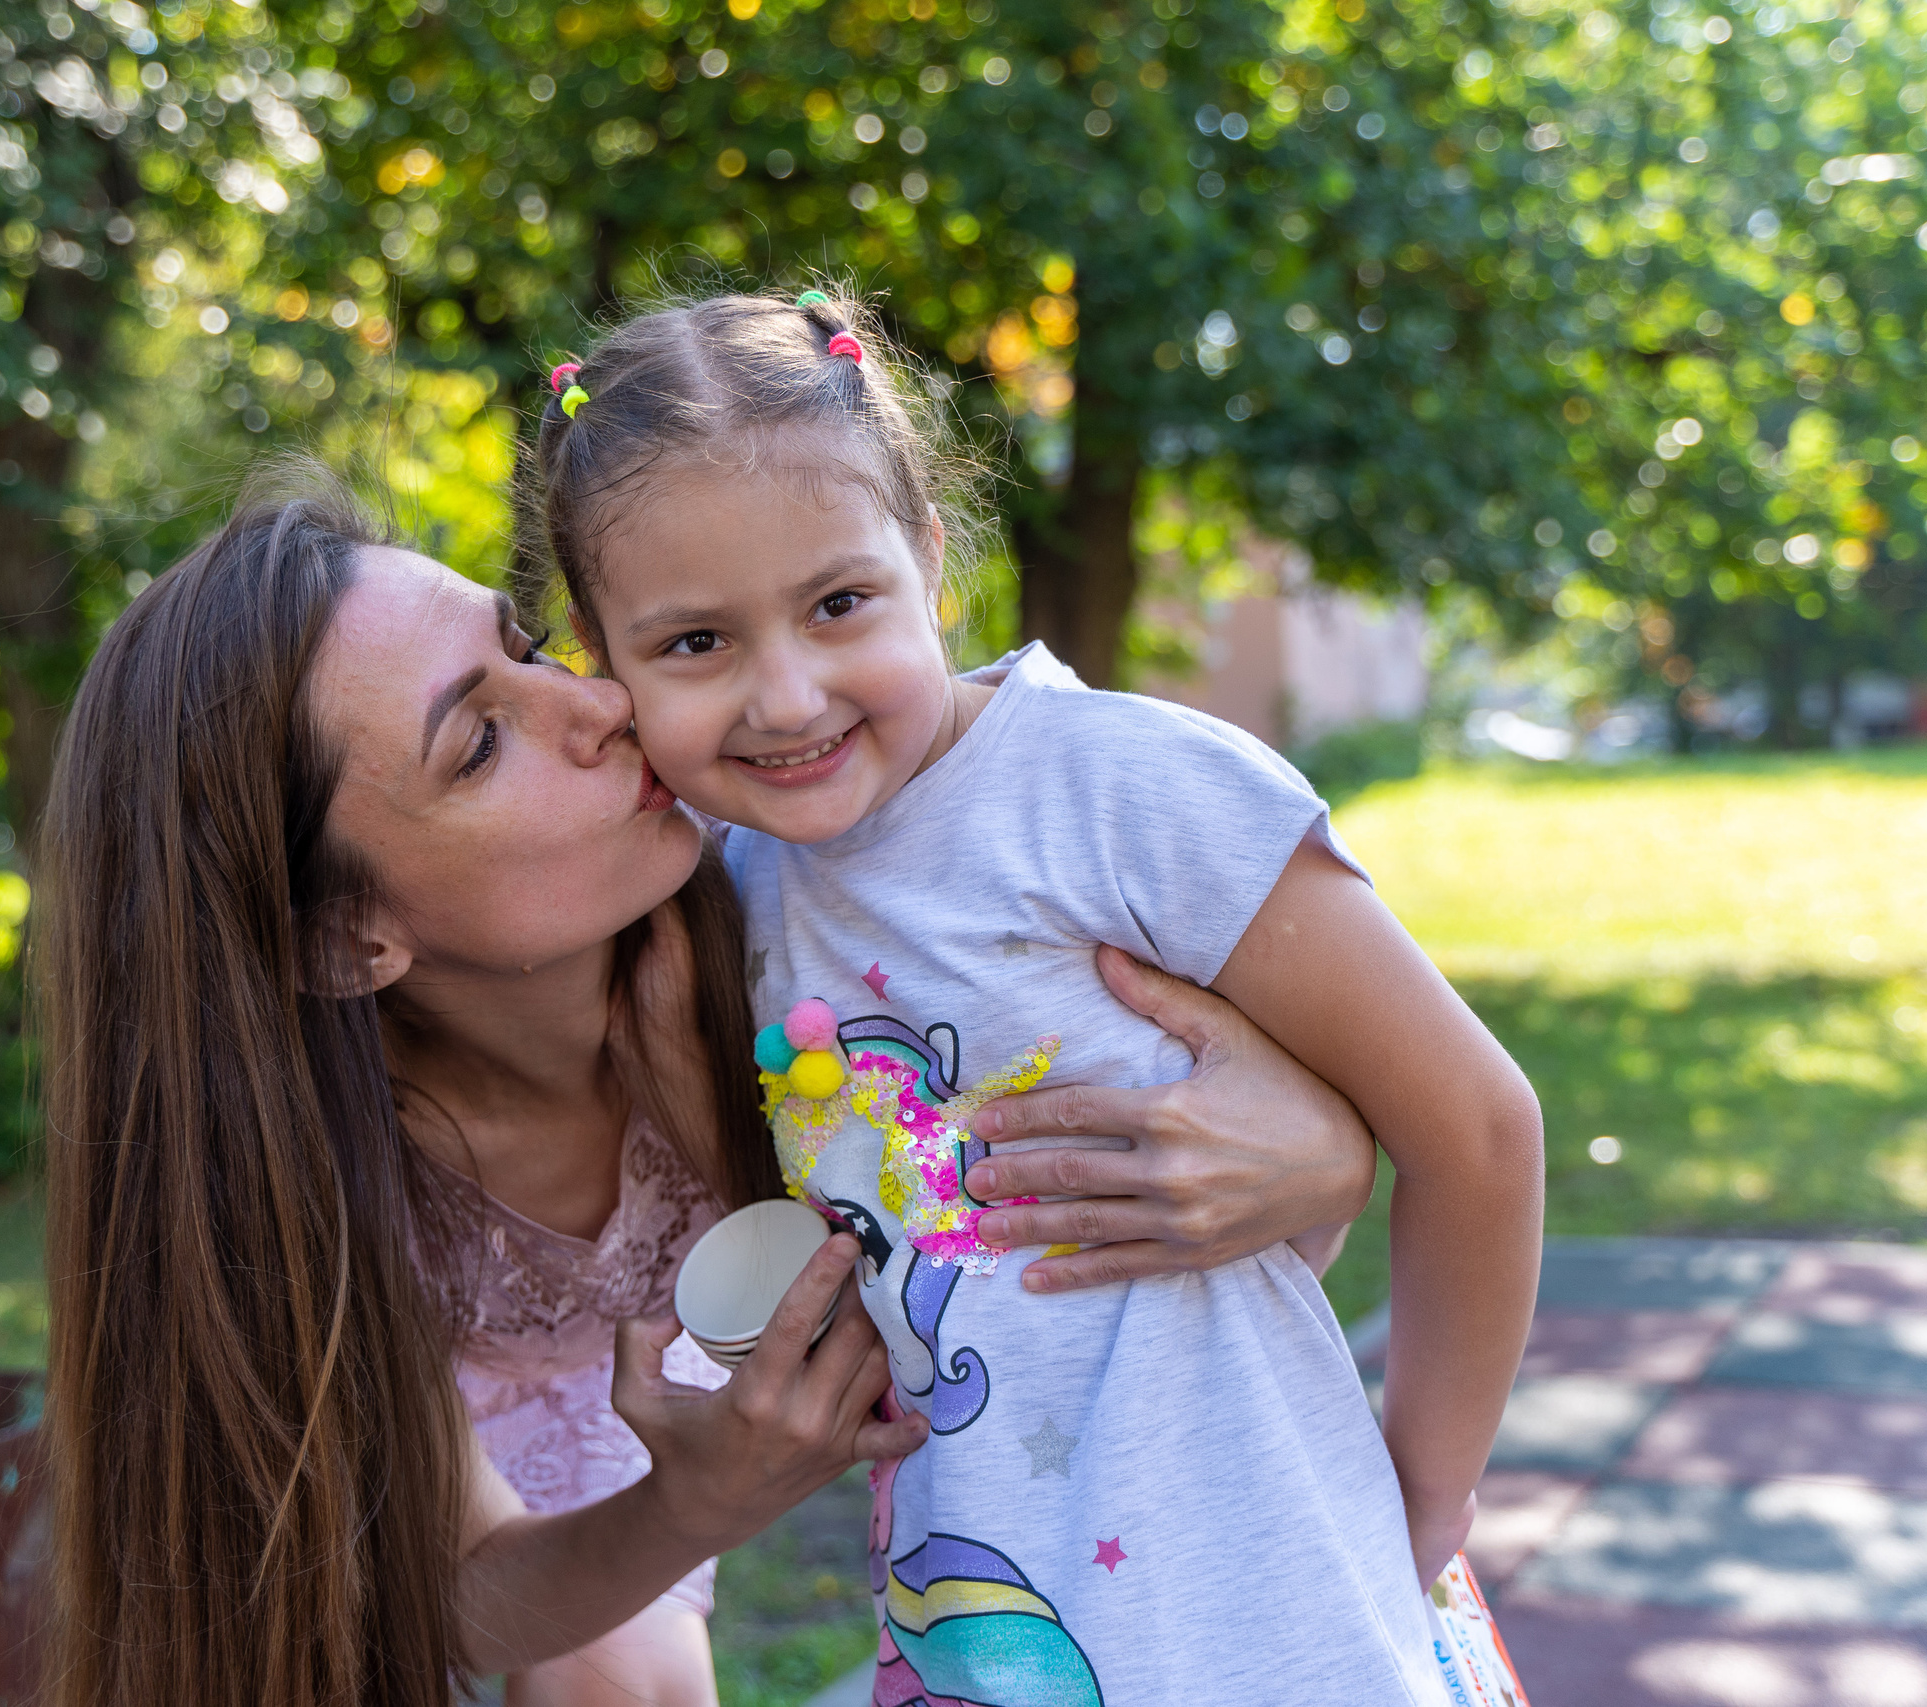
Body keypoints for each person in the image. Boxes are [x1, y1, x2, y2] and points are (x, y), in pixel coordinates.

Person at [37, 473, 1385, 1707]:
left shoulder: (807, 917)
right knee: (615, 1684)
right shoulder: (314, 1173)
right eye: (479, 744)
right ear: (345, 938)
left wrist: (1325, 1152)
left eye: (522, 647)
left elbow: (1097, 1150)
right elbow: (456, 1594)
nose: (600, 703)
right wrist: (685, 1511)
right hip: (520, 1400)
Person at [518, 289, 1546, 1704]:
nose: (789, 696)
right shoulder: (721, 896)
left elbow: (1480, 1132)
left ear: (930, 560)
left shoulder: (1126, 792)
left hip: (1278, 1601)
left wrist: (1427, 1497)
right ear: (603, 658)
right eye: (694, 644)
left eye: (838, 604)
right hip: (986, 1625)